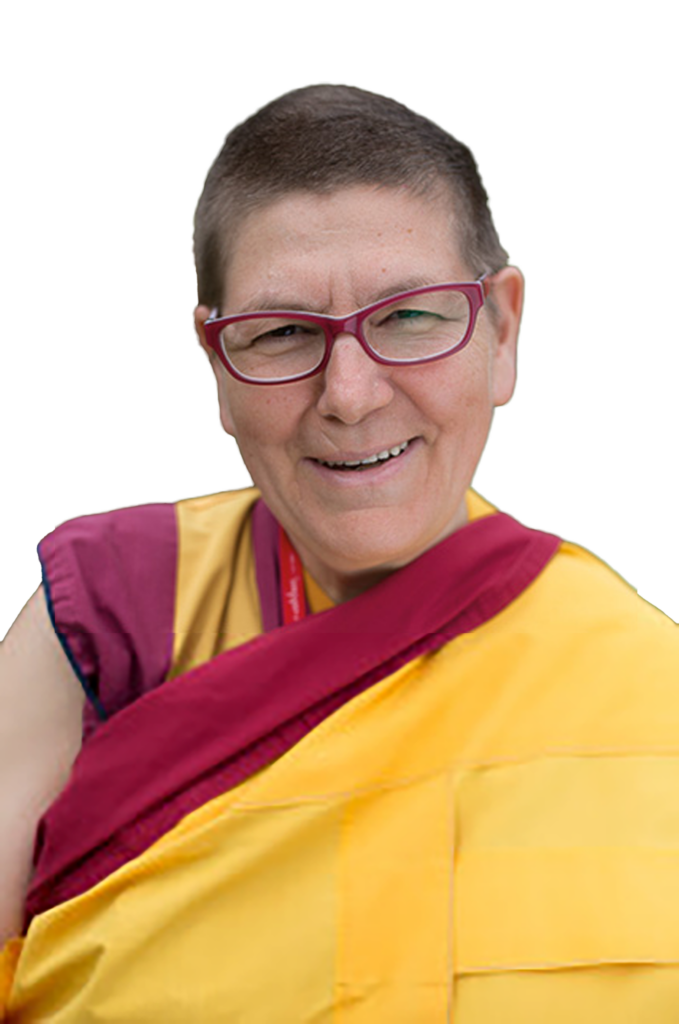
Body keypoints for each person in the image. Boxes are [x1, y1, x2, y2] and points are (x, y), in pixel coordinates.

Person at [1, 83, 677, 1022]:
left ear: (502, 330)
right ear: (215, 366)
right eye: (282, 334)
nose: (350, 396)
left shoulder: (646, 677)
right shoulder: (115, 615)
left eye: (409, 318)